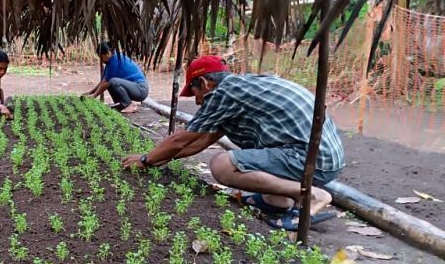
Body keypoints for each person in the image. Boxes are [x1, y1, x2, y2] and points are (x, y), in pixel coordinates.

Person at [122, 55, 344, 231]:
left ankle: (312, 195)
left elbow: (183, 138)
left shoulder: (225, 92)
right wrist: (163, 158)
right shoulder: (241, 88)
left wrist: (146, 159)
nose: (198, 101)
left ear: (205, 83)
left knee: (222, 164)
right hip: (322, 157)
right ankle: (279, 200)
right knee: (243, 166)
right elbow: (201, 142)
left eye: (196, 93)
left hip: (311, 159)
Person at [84, 42, 149, 114]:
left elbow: (107, 82)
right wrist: (90, 93)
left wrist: (94, 96)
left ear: (107, 53)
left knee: (113, 81)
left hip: (140, 89)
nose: (101, 60)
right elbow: (103, 81)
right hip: (134, 87)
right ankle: (122, 104)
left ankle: (129, 105)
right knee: (109, 82)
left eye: (101, 57)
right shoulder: (110, 61)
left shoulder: (115, 59)